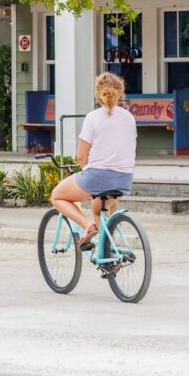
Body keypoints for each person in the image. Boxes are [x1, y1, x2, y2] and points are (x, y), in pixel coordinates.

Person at [51, 72, 136, 247]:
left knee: (57, 196)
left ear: (98, 93)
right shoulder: (129, 117)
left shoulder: (93, 117)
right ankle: (106, 252)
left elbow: (81, 155)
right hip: (124, 178)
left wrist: (85, 171)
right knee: (97, 207)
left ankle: (86, 226)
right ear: (120, 92)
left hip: (97, 176)